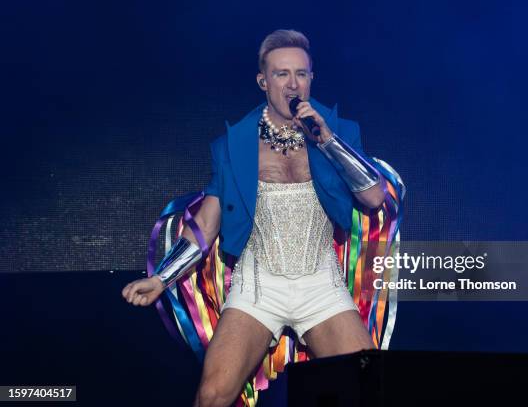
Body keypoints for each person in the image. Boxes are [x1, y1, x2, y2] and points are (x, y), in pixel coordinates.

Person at [122, 29, 403, 407]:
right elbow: (206, 224)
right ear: (263, 81)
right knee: (212, 396)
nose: (293, 83)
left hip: (321, 286)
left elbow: (372, 197)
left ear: (311, 79)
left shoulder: (337, 131)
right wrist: (161, 279)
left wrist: (327, 140)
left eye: (301, 74)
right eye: (282, 74)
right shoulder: (235, 144)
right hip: (258, 287)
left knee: (371, 390)